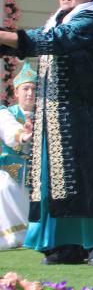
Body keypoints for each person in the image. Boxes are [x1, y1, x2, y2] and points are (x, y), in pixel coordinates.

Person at [0, 0, 93, 266]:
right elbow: (41, 39)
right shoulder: (58, 20)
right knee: (56, 182)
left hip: (89, 117)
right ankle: (67, 244)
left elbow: (55, 41)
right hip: (57, 119)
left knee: (90, 177)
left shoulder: (90, 20)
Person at [0, 62, 35, 249]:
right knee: (5, 185)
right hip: (11, 165)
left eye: (34, 89)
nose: (30, 93)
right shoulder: (7, 112)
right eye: (26, 88)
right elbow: (9, 128)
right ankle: (13, 234)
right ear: (16, 92)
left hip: (38, 165)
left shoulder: (46, 113)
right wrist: (22, 135)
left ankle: (33, 233)